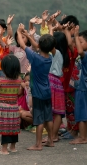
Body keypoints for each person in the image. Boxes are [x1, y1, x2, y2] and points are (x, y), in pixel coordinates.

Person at [17, 23, 55, 151]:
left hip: (38, 94)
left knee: (39, 119)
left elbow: (23, 45)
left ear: (40, 46)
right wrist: (27, 34)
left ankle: (38, 144)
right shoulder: (49, 58)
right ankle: (50, 140)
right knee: (48, 117)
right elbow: (38, 46)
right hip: (47, 92)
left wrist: (19, 31)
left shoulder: (35, 58)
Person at [69, 27, 87, 144]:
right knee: (81, 113)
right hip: (82, 87)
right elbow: (81, 47)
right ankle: (83, 136)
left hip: (82, 88)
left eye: (81, 42)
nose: (77, 44)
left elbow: (80, 51)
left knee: (81, 114)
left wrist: (76, 34)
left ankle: (83, 138)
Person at [0, 55, 22, 155]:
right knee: (13, 127)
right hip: (14, 108)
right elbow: (18, 92)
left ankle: (4, 150)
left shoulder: (1, 80)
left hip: (3, 108)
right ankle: (12, 147)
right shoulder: (19, 80)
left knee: (5, 128)